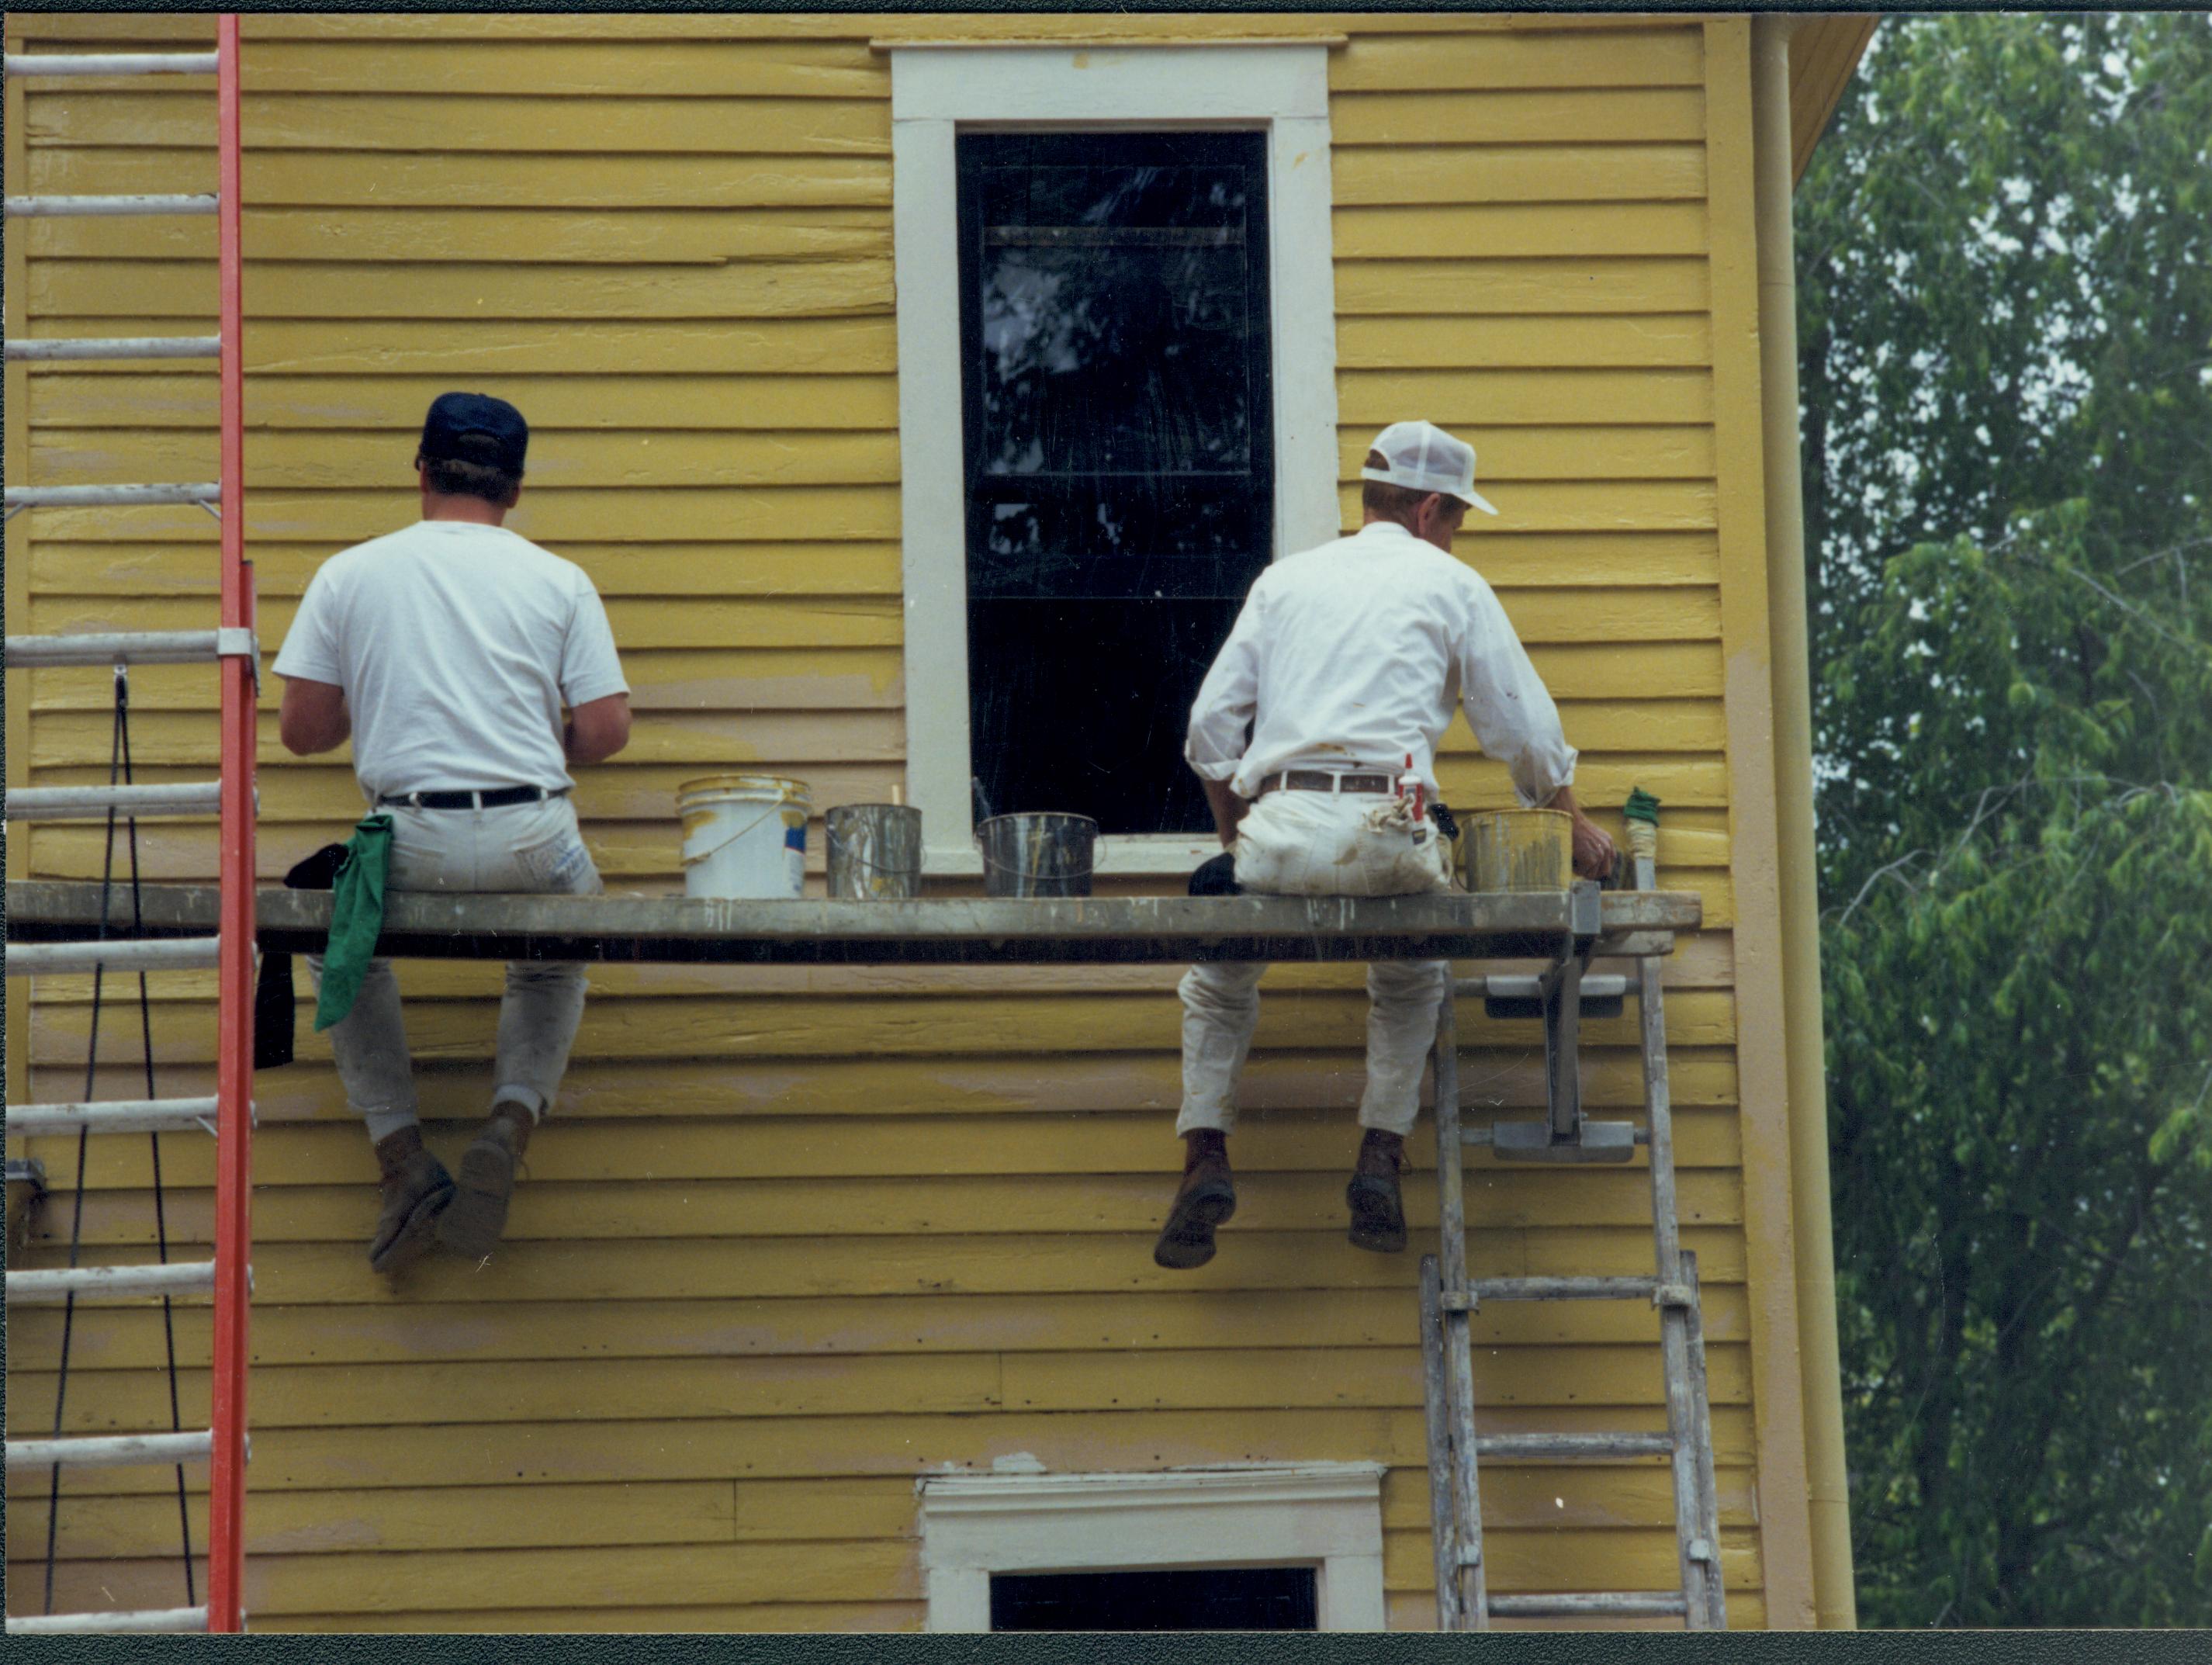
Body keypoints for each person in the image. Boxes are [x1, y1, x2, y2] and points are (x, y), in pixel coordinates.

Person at [1154, 420, 1615, 1271]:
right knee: (1411, 975)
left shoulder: (1283, 582)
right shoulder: (1449, 583)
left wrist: (1237, 838)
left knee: (1218, 979)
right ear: (1432, 508)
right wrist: (1572, 820)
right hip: (1390, 836)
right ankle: (1377, 1154)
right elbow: (1521, 727)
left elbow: (1208, 729)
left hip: (1280, 832)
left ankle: (1205, 1156)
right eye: (1458, 520)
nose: (1457, 536)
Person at [274, 392, 632, 1273]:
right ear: (512, 490)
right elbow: (606, 731)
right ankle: (508, 1124)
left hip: (414, 834)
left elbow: (303, 730)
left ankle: (400, 1157)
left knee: (340, 941)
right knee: (555, 951)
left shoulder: (350, 574)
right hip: (531, 833)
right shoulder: (559, 579)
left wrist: (387, 690)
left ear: (422, 470)